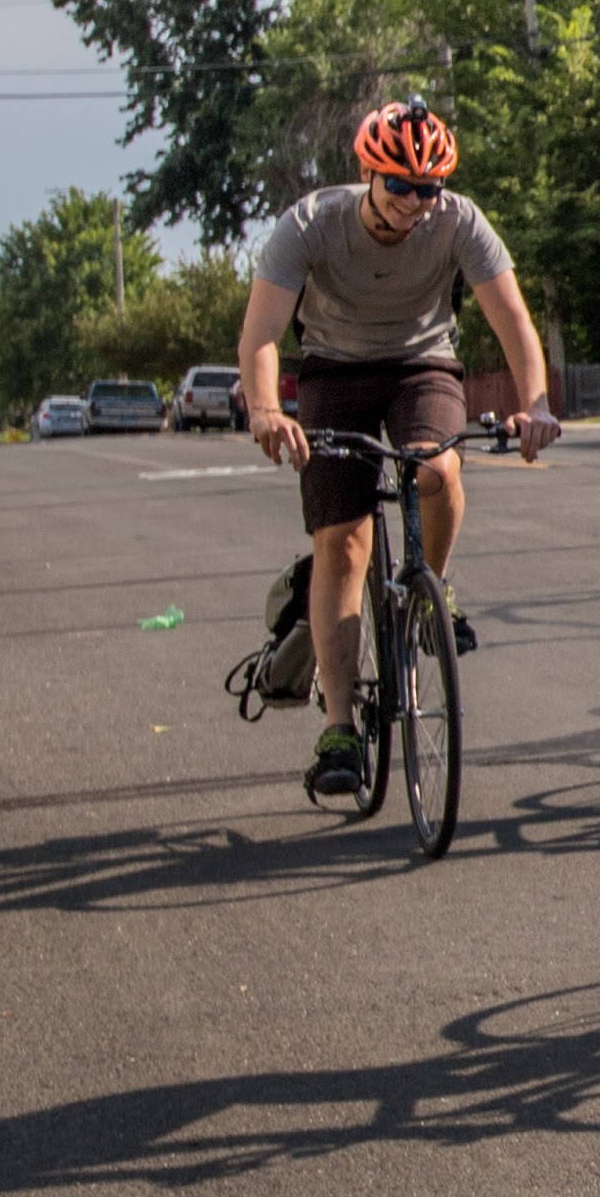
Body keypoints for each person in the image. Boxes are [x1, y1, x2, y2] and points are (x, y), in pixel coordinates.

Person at [237, 100, 563, 806]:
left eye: (430, 188)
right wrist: (266, 411)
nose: (417, 203)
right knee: (344, 546)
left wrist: (534, 402)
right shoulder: (311, 224)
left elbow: (511, 317)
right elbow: (262, 334)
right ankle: (339, 730)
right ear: (368, 172)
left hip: (422, 365)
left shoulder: (458, 220)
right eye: (401, 186)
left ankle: (430, 588)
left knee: (437, 466)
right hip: (333, 367)